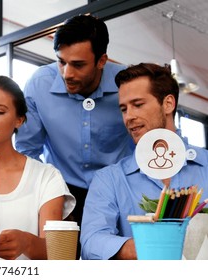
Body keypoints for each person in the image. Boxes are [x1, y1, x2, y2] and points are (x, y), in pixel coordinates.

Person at [14, 14, 134, 257]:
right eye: (61, 62)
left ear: (102, 61)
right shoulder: (39, 85)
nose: (66, 73)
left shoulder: (128, 84)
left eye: (78, 65)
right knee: (61, 262)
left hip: (118, 187)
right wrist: (49, 198)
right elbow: (28, 151)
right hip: (63, 189)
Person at [80, 63, 208, 260]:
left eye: (138, 105)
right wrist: (148, 246)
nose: (129, 116)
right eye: (124, 109)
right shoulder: (109, 179)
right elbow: (90, 242)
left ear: (168, 104)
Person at [0, 75, 75, 260]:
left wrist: (26, 242)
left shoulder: (46, 177)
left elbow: (56, 254)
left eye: (0, 112)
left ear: (19, 120)